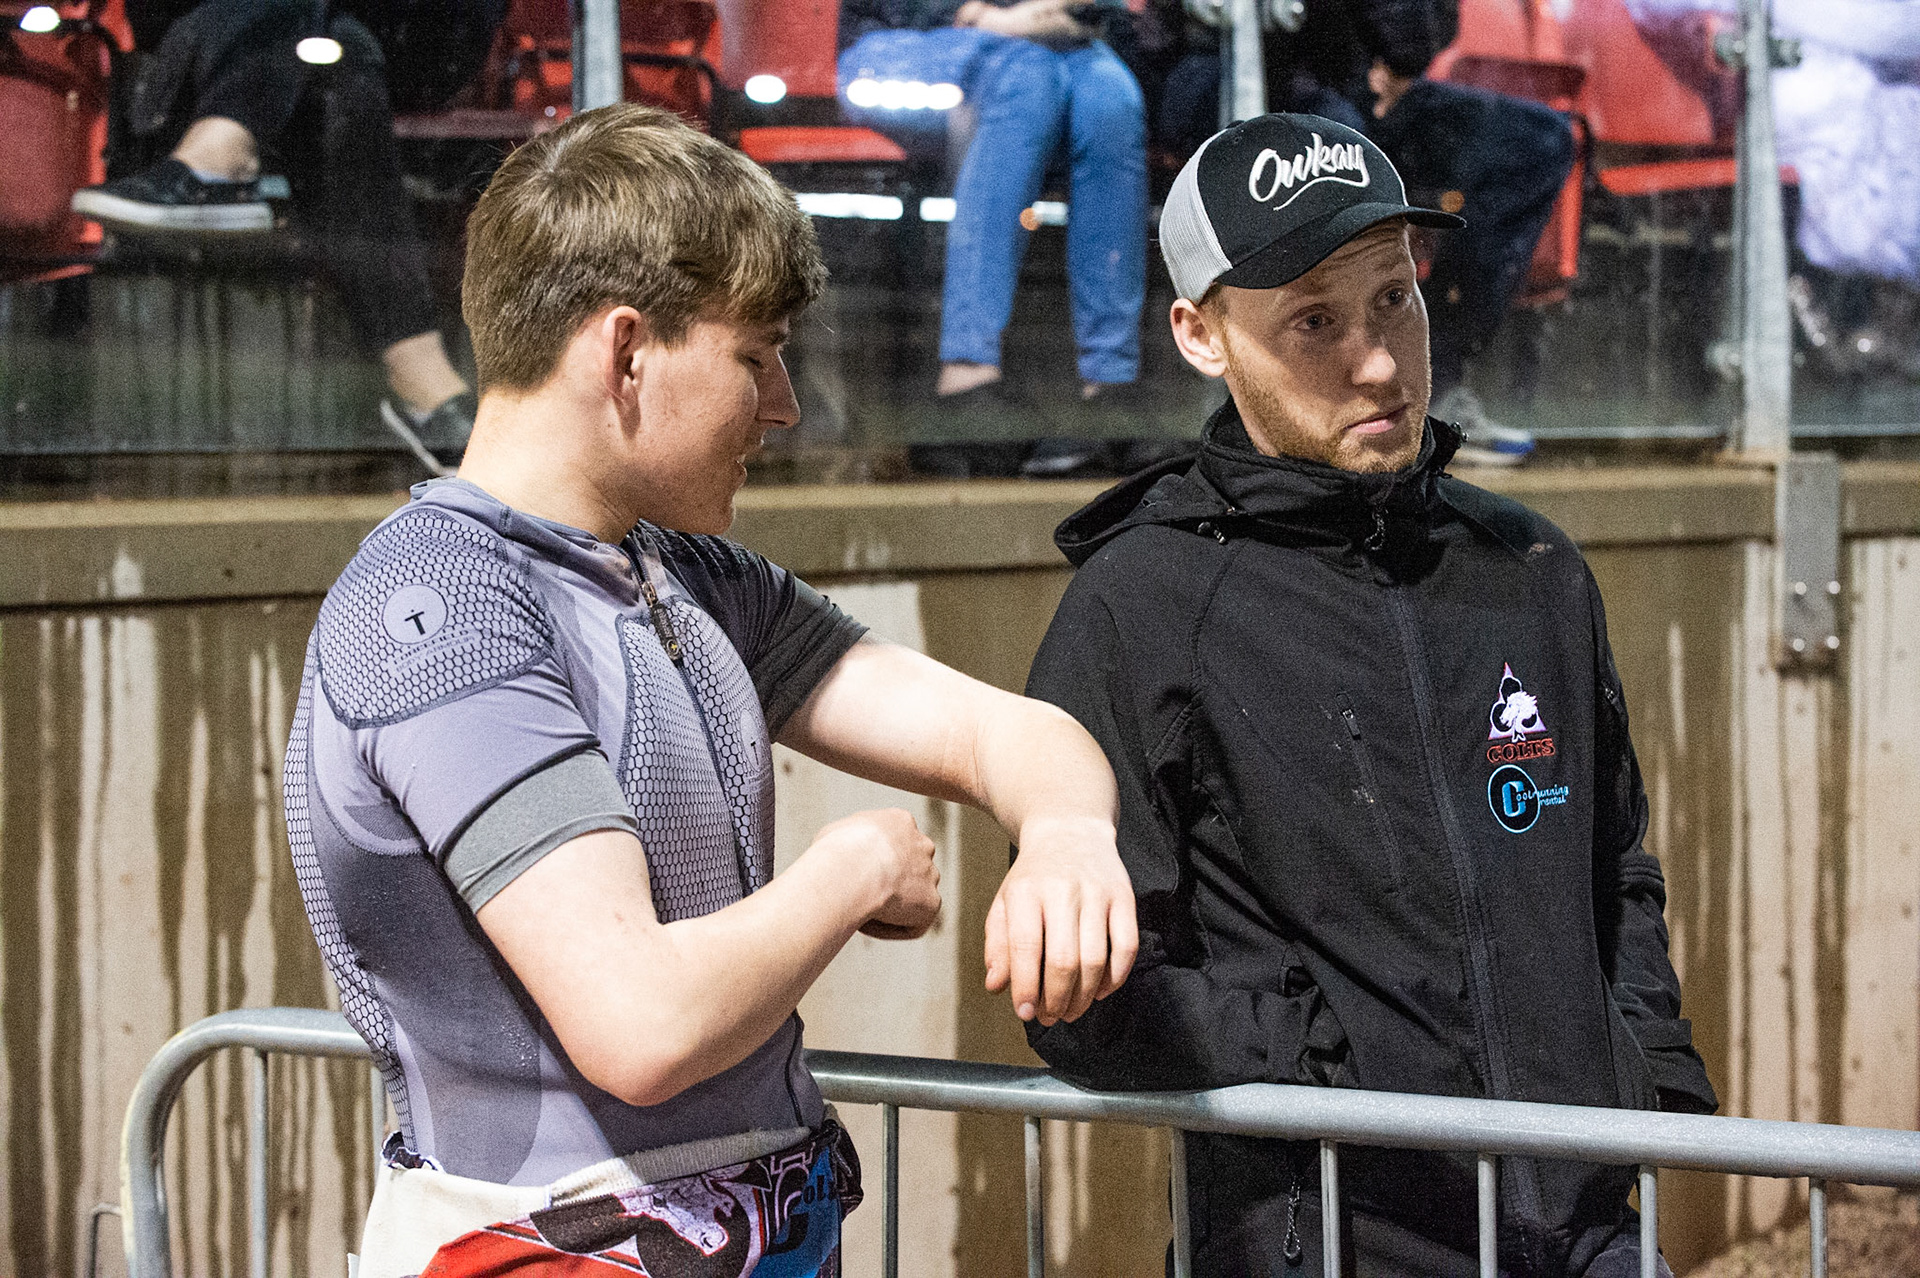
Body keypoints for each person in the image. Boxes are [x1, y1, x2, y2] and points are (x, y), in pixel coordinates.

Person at [283, 103, 1137, 1278]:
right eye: (756, 355)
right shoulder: (439, 612)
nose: (784, 405)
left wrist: (1069, 838)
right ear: (625, 351)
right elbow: (638, 1024)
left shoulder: (683, 573)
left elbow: (998, 734)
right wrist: (852, 872)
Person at [1022, 113, 1716, 1277]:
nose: (1381, 362)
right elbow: (1080, 995)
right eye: (1313, 321)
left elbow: (1613, 870)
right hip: (1327, 1239)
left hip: (1586, 1231)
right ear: (1203, 336)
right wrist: (1334, 1065)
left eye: (1395, 298)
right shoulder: (1139, 604)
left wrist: (1647, 1078)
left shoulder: (1530, 570)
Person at [72, 0, 501, 469]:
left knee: (331, 43)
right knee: (338, 59)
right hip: (220, 32)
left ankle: (220, 154)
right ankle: (421, 377)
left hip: (412, 29)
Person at [1148, 0, 1574, 464]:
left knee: (1542, 139)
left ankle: (1437, 374)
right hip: (1211, 68)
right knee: (1338, 143)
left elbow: (1424, 28)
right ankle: (1281, 410)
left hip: (1355, 82)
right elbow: (1154, 31)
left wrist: (1395, 63)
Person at [837, 0, 1151, 477]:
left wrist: (1040, 17)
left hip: (1049, 44)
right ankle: (967, 370)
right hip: (899, 44)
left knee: (1111, 98)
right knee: (1027, 81)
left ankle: (1109, 381)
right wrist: (1003, 20)